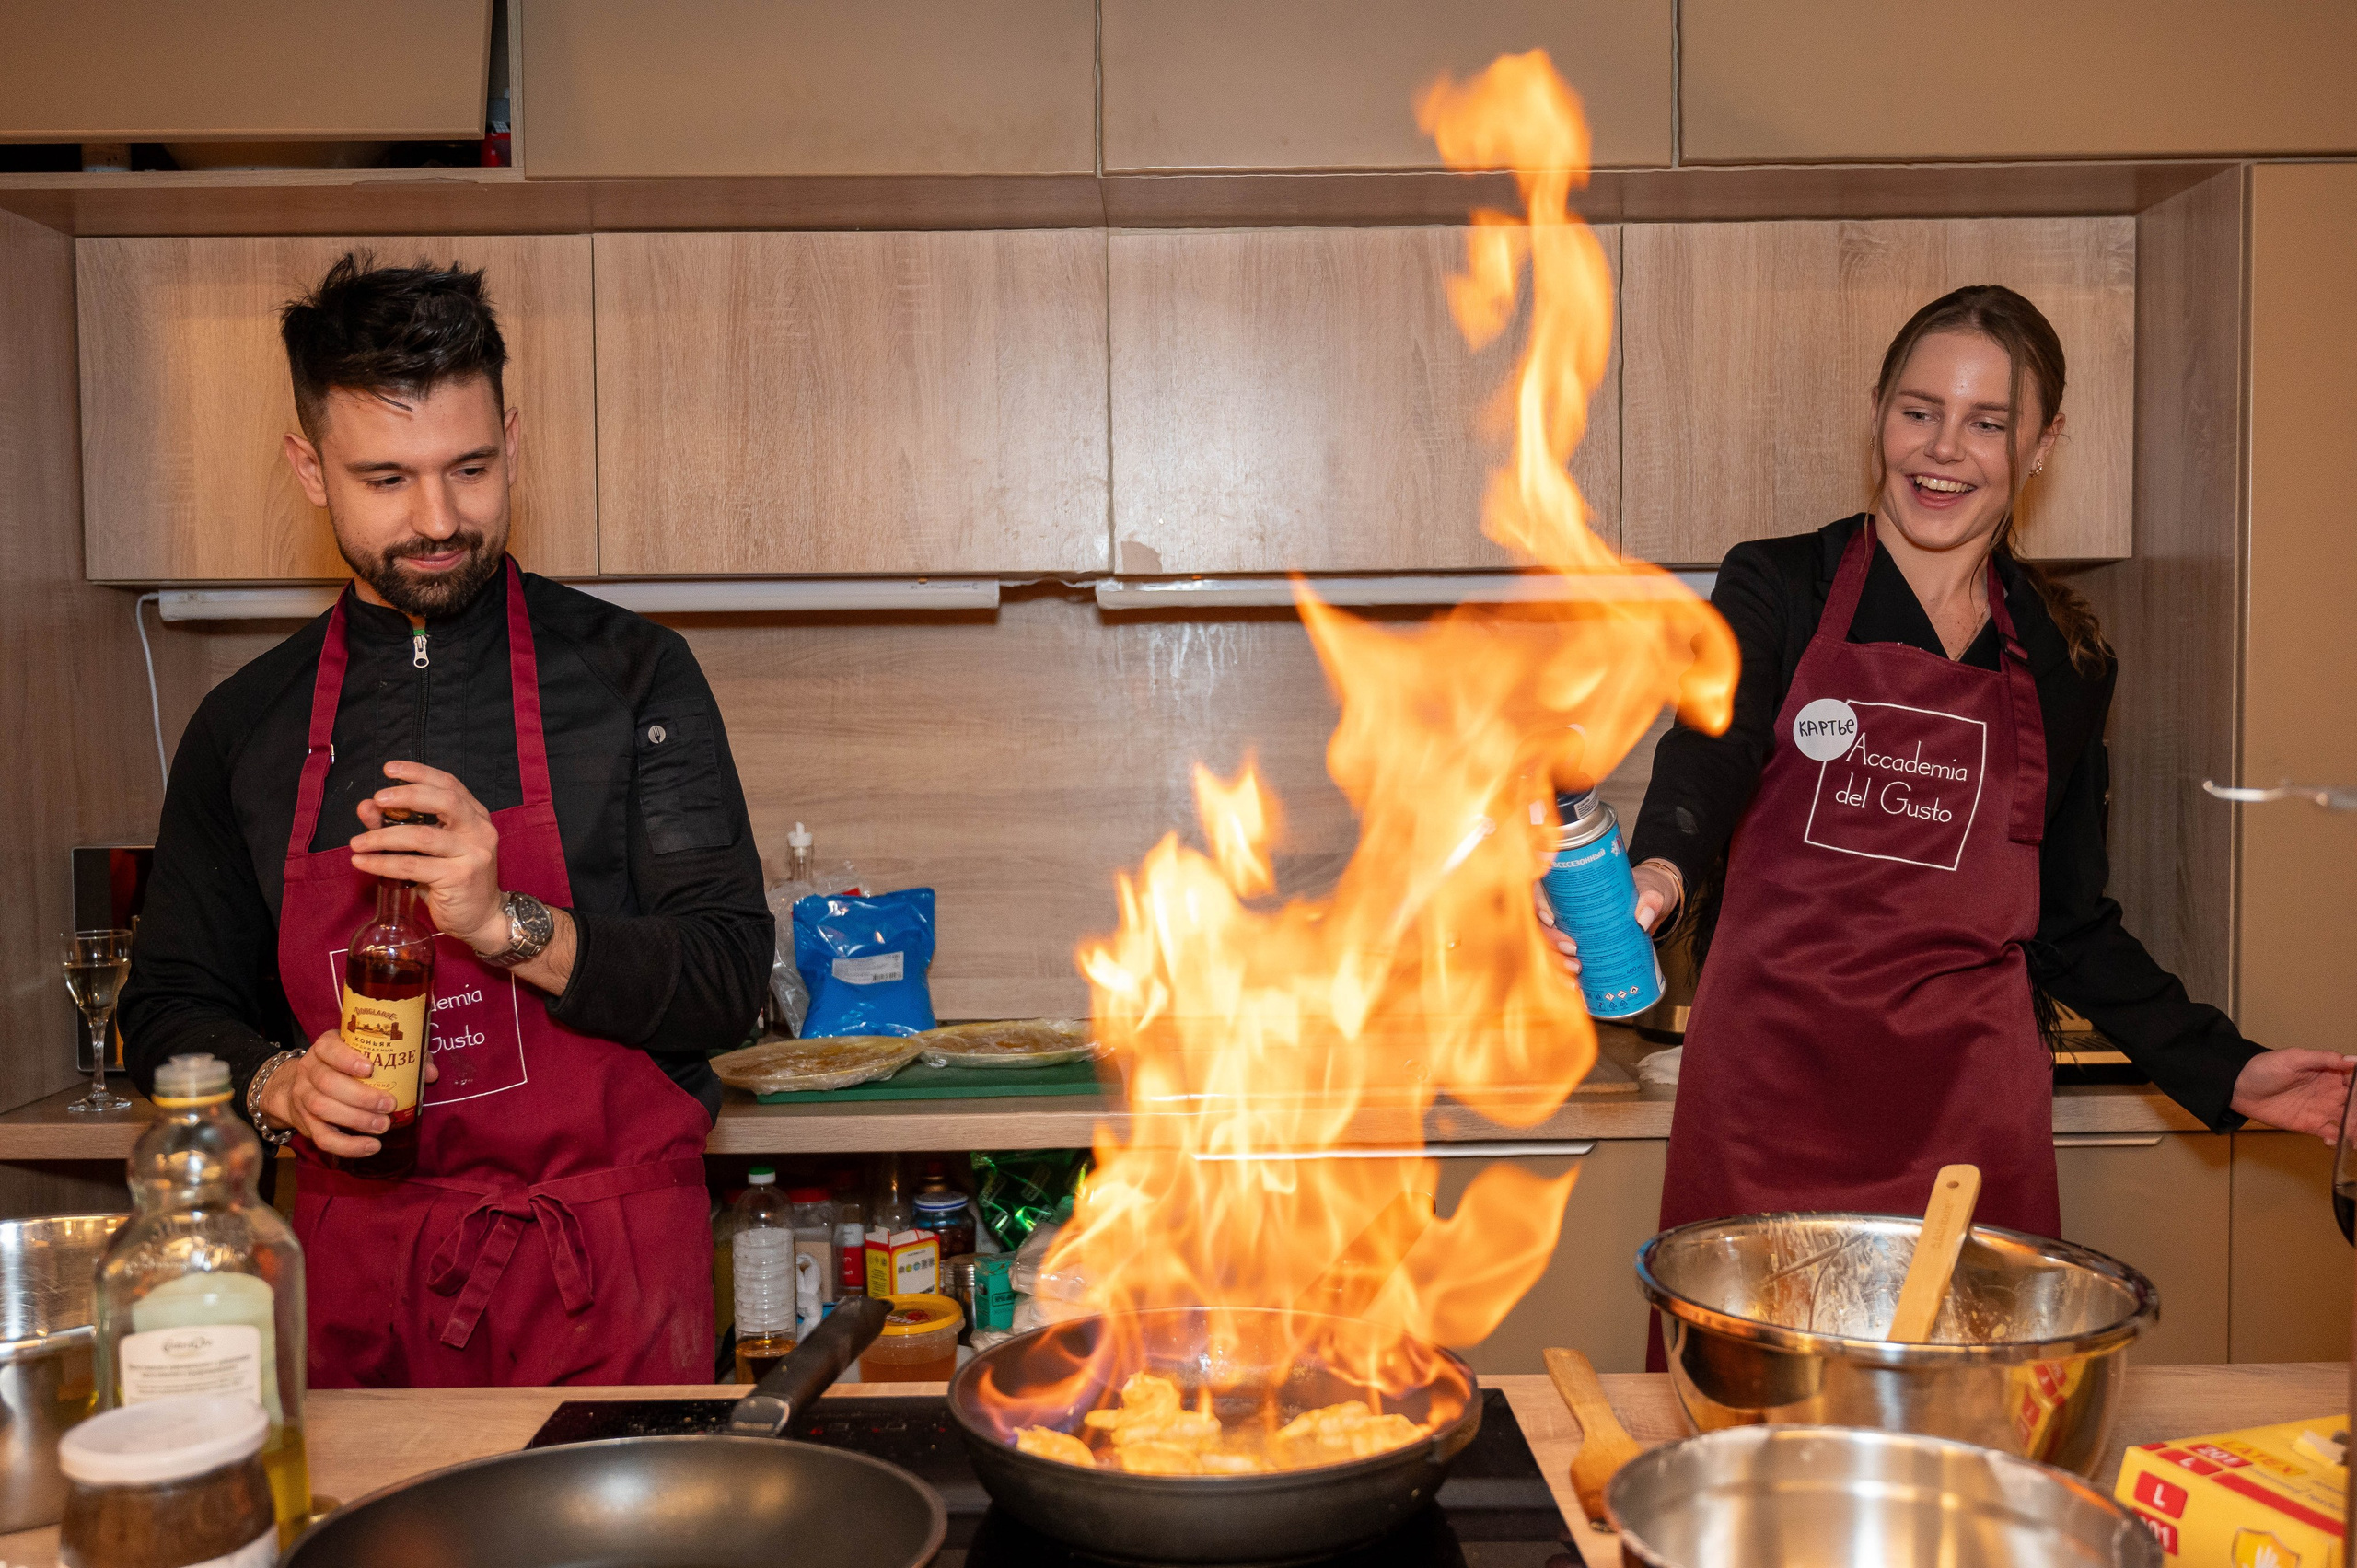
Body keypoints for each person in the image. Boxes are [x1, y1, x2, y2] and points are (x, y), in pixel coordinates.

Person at [1547, 285, 2350, 1256]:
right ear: (1878, 411)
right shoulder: (1780, 585)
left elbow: (2068, 921)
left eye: (1987, 423)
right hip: (1768, 1101)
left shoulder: (2062, 657)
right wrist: (1657, 874)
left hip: (1967, 1121)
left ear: (2042, 443)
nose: (1943, 449)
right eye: (1919, 412)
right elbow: (1710, 753)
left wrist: (2229, 1069)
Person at [121, 255, 772, 1388]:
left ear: (511, 440)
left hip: (607, 1275)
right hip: (356, 1279)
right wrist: (277, 1084)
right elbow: (167, 1005)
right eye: (385, 477)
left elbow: (725, 975)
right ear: (309, 468)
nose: (438, 520)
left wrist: (507, 922)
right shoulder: (244, 725)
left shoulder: (635, 678)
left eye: (469, 468)